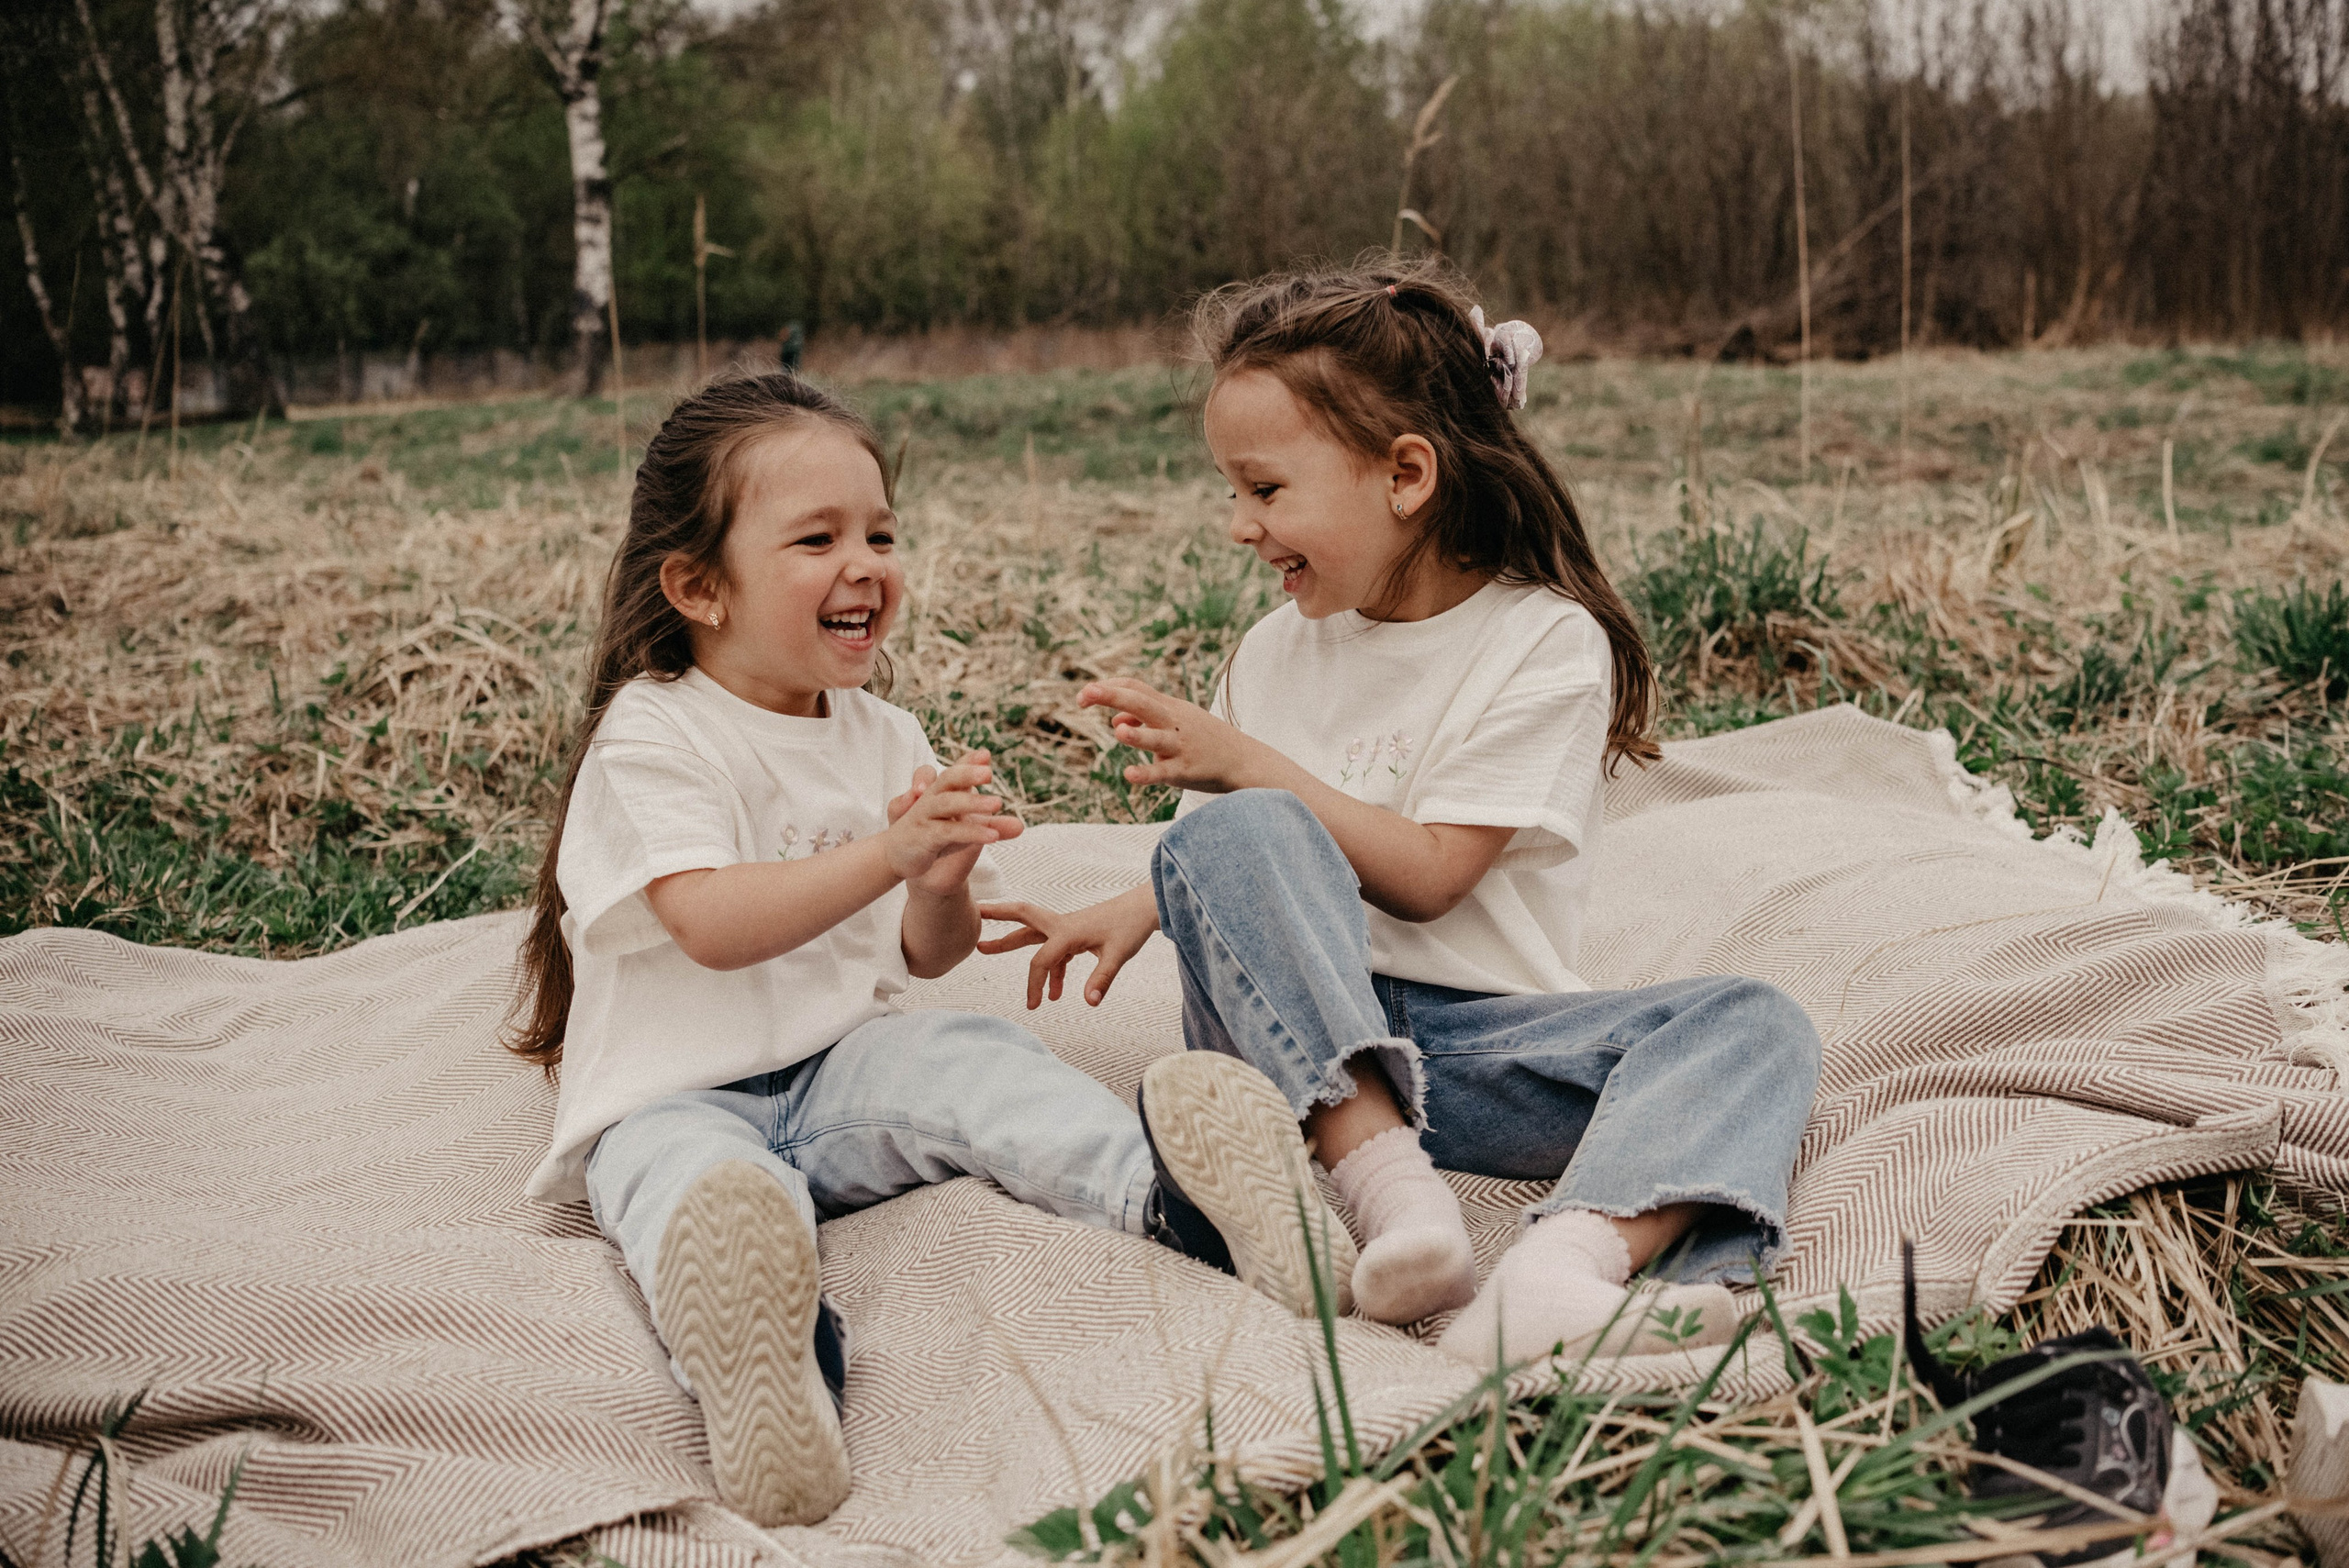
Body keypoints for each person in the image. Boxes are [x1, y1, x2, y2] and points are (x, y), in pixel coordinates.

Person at [506, 373, 1357, 1528]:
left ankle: (1181, 1200)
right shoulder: (656, 728)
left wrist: (939, 878)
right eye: (817, 538)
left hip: (840, 1065)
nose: (864, 562)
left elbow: (931, 951)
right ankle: (775, 1361)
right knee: (696, 1191)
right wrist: (890, 847)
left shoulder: (883, 732)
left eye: (880, 532)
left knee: (977, 1061)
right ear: (698, 585)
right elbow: (707, 922)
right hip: (671, 1093)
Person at [979, 263, 1824, 1368]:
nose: (1239, 525)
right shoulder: (1274, 650)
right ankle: (1390, 1191)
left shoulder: (1540, 642)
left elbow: (1430, 875)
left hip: (1476, 1049)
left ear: (1406, 474)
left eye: (1266, 490)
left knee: (1753, 1023)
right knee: (1236, 828)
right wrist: (1145, 899)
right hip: (1288, 1042)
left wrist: (1254, 765)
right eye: (1229, 491)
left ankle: (1560, 1271)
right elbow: (1252, 861)